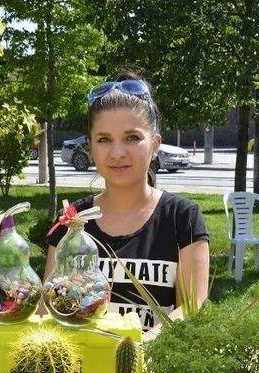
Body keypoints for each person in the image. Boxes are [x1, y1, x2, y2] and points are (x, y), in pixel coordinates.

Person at [45, 73, 210, 335]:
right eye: (104, 139)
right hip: (80, 369)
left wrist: (137, 350)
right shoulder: (73, 219)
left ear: (155, 144)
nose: (118, 153)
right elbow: (49, 309)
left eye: (132, 138)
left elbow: (191, 307)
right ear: (90, 147)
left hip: (153, 369)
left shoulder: (182, 218)